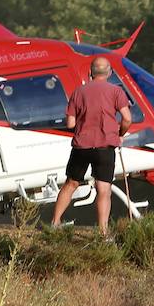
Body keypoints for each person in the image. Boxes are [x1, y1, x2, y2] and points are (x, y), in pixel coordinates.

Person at [50, 56, 132, 238]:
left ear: (90, 73)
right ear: (110, 73)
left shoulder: (79, 92)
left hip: (82, 146)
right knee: (104, 190)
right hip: (105, 147)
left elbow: (70, 123)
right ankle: (103, 233)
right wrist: (119, 134)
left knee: (71, 183)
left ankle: (55, 223)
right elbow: (127, 118)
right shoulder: (116, 92)